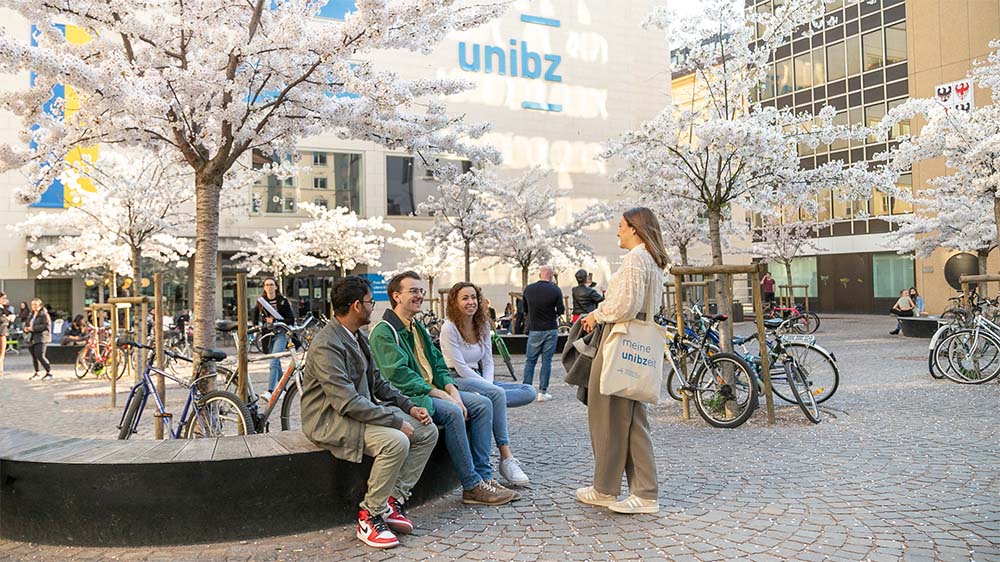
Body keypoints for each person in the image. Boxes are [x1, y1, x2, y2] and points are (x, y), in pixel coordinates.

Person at [300, 276, 438, 549]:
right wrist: (396, 421)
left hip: (357, 413)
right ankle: (370, 515)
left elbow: (379, 383)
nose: (372, 306)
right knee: (396, 441)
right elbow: (347, 403)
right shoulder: (327, 344)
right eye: (369, 302)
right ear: (355, 306)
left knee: (427, 430)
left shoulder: (356, 336)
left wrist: (409, 407)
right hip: (330, 420)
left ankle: (392, 500)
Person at [369, 271, 517, 506]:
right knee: (453, 412)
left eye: (421, 291)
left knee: (483, 404)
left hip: (431, 390)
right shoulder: (384, 331)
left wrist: (452, 390)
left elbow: (438, 363)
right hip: (409, 397)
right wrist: (442, 394)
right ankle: (471, 485)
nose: (419, 296)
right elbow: (398, 377)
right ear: (396, 296)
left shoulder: (416, 327)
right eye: (413, 291)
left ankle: (485, 477)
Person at [579, 207, 669, 514]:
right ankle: (623, 489)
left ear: (634, 228)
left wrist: (595, 314)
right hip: (637, 341)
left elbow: (624, 306)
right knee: (628, 419)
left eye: (620, 226)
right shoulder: (652, 261)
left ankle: (625, 491)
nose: (617, 231)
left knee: (609, 416)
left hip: (619, 339)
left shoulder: (635, 260)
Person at [439, 282, 535, 487]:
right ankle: (506, 457)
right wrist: (491, 390)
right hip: (457, 378)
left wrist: (489, 386)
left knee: (529, 391)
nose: (471, 302)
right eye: (465, 298)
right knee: (495, 396)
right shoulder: (449, 328)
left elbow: (489, 360)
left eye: (474, 297)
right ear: (454, 303)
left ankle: (495, 399)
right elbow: (460, 366)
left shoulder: (482, 324)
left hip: (481, 377)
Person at [522, 264, 565, 401]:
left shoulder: (528, 289)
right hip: (550, 328)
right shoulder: (555, 290)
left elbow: (525, 309)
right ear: (551, 275)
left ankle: (526, 390)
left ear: (540, 274)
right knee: (546, 361)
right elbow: (561, 310)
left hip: (534, 329)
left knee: (530, 361)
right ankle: (542, 391)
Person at [253, 278, 296, 402]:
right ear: (264, 287)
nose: (269, 287)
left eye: (271, 284)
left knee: (274, 361)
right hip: (268, 335)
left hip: (281, 334)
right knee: (276, 364)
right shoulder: (261, 302)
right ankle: (284, 389)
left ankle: (270, 391)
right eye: (266, 285)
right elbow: (254, 313)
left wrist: (276, 321)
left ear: (276, 287)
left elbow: (290, 320)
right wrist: (256, 325)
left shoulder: (283, 301)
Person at [24, 298, 52, 380]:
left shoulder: (44, 314)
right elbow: (26, 324)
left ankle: (49, 372)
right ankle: (37, 372)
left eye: (36, 304)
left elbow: (46, 326)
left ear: (40, 305)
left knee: (40, 355)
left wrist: (33, 328)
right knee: (34, 356)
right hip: (31, 338)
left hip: (41, 338)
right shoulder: (30, 315)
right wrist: (25, 328)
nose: (34, 306)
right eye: (32, 304)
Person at [0, 292, 14, 377]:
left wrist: (12, 317)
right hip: (1, 332)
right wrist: (7, 319)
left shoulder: (4, 308)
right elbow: (2, 319)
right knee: (1, 353)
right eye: (3, 298)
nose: (5, 300)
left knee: (2, 354)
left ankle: (1, 370)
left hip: (3, 332)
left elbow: (11, 314)